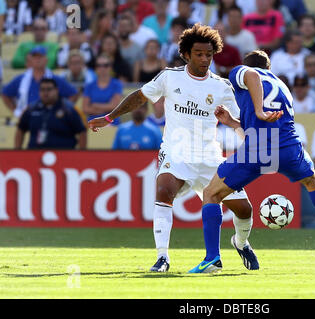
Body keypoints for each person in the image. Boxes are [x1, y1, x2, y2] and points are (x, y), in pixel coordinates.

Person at [87, 24, 254, 273]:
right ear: (186, 54)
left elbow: (243, 123)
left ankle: (240, 242)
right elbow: (140, 96)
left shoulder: (222, 87)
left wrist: (237, 125)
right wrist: (110, 117)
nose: (205, 59)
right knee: (164, 190)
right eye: (199, 54)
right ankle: (162, 257)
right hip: (176, 152)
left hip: (209, 156)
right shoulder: (170, 77)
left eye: (209, 54)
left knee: (244, 210)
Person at [188, 50, 315, 273]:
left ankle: (212, 258)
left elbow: (252, 79)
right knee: (313, 182)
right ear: (270, 68)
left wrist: (258, 110)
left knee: (211, 194)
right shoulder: (282, 86)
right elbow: (267, 123)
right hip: (288, 147)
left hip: (257, 150)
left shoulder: (244, 72)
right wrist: (233, 122)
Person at [2, 46, 78, 118]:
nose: (37, 59)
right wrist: (16, 111)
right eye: (35, 57)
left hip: (49, 118)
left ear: (46, 59)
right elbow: (5, 94)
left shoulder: (55, 79)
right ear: (31, 60)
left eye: (40, 56)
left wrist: (61, 110)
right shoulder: (20, 79)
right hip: (27, 118)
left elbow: (73, 94)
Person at [15, 78, 87, 150]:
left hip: (63, 155)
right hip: (35, 154)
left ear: (56, 90)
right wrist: (17, 151)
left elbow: (82, 132)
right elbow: (20, 129)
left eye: (49, 89)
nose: (45, 93)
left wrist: (81, 154)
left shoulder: (69, 109)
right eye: (42, 90)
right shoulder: (31, 109)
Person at [82, 54, 123, 125]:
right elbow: (85, 108)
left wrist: (95, 105)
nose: (102, 68)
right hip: (93, 124)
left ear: (110, 67)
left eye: (105, 65)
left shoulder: (117, 84)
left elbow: (114, 106)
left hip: (112, 124)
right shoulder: (89, 86)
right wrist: (106, 111)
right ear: (96, 68)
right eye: (99, 65)